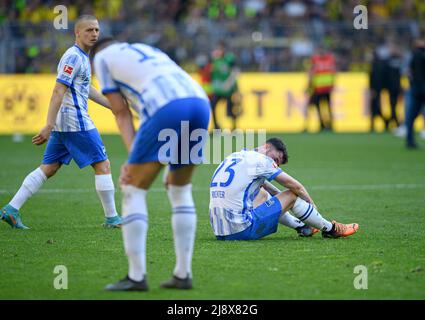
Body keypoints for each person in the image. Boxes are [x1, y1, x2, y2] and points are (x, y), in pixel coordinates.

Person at [91, 38, 210, 291]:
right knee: (180, 190)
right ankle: (182, 274)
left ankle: (136, 277)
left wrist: (132, 159)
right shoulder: (147, 49)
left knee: (132, 189)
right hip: (199, 102)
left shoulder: (101, 58)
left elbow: (120, 111)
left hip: (167, 106)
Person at [1, 15, 122, 230]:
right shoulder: (74, 57)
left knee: (49, 167)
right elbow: (58, 89)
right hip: (74, 120)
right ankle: (112, 218)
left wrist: (112, 105)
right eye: (89, 30)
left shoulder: (83, 57)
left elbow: (86, 89)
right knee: (103, 165)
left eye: (96, 30)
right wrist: (48, 124)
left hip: (64, 122)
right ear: (77, 33)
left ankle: (11, 209)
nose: (94, 34)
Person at [209, 138, 359, 241]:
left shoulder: (236, 155)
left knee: (262, 193)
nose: (275, 164)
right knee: (292, 195)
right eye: (276, 160)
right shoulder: (262, 160)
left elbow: (269, 190)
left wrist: (281, 202)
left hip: (219, 231)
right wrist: (311, 206)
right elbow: (296, 187)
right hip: (240, 230)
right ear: (267, 147)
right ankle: (331, 229)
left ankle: (302, 227)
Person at [210, 41, 240, 130]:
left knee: (230, 109)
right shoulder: (215, 60)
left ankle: (234, 127)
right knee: (213, 106)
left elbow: (235, 71)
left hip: (228, 89)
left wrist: (229, 83)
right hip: (219, 89)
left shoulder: (229, 58)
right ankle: (216, 126)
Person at [306, 47, 336, 132]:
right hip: (323, 88)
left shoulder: (316, 60)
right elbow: (333, 72)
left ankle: (324, 125)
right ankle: (328, 125)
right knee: (326, 107)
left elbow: (311, 73)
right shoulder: (330, 59)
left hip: (320, 88)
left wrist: (309, 84)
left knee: (320, 107)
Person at [406, 38, 425, 149]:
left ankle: (410, 140)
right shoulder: (417, 54)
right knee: (412, 115)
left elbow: (409, 72)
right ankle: (409, 140)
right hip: (418, 89)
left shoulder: (413, 55)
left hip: (416, 88)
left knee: (411, 116)